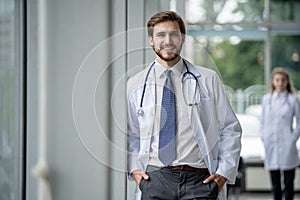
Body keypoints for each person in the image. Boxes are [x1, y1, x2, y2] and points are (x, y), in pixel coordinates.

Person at [127, 11, 242, 200]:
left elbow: (230, 129)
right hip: (155, 178)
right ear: (150, 39)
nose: (168, 41)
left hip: (200, 180)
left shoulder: (207, 79)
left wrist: (222, 174)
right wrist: (134, 170)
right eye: (160, 35)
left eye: (174, 34)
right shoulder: (135, 84)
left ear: (183, 39)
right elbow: (130, 134)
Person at [260, 67, 300, 200]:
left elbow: (299, 123)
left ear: (287, 82)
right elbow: (263, 121)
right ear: (273, 82)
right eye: (277, 80)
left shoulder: (293, 100)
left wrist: (292, 139)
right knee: (275, 184)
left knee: (289, 183)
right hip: (271, 144)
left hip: (287, 145)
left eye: (283, 80)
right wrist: (264, 137)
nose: (280, 83)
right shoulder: (267, 99)